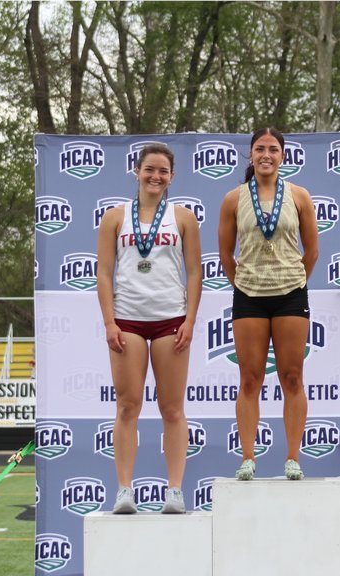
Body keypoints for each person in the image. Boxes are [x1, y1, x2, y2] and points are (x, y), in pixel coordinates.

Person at [96, 142, 202, 514]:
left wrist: (190, 320)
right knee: (128, 406)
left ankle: (174, 490)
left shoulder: (184, 217)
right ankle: (124, 489)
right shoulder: (114, 217)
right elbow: (105, 272)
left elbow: (193, 272)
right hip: (127, 320)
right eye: (149, 169)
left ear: (172, 177)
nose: (155, 176)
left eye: (163, 171)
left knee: (172, 408)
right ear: (136, 172)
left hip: (171, 320)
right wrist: (109, 321)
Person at [217, 127, 319, 482]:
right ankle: (248, 458)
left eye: (273, 149)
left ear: (283, 156)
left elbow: (313, 251)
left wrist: (291, 280)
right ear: (250, 155)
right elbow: (226, 254)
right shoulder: (233, 198)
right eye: (259, 148)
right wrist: (246, 283)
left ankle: (292, 458)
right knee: (250, 379)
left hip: (291, 294)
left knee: (292, 377)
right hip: (249, 297)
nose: (266, 154)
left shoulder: (300, 196)